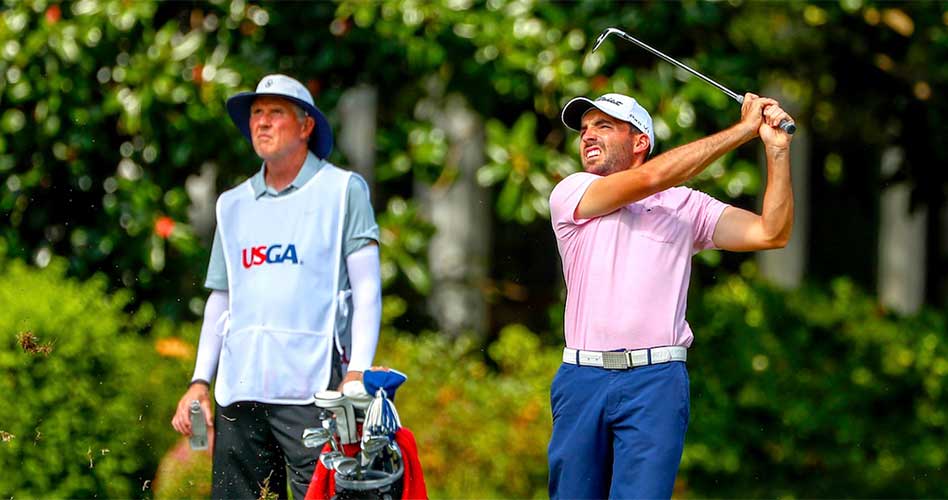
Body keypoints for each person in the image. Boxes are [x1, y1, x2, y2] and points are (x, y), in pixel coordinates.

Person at [547, 92, 794, 499]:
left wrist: (777, 151)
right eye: (585, 129)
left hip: (656, 381)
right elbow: (650, 179)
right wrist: (742, 131)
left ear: (640, 141)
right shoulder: (573, 192)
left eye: (604, 126)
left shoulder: (686, 206)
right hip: (582, 378)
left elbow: (772, 232)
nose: (588, 135)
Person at [170, 74, 382, 500]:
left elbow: (367, 290)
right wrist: (199, 381)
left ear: (306, 126)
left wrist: (358, 370)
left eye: (276, 113)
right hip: (240, 388)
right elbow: (221, 298)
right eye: (256, 114)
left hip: (312, 386)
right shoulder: (232, 204)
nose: (262, 123)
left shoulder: (342, 191)